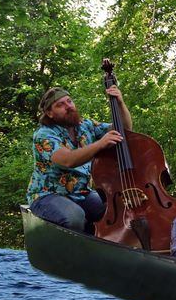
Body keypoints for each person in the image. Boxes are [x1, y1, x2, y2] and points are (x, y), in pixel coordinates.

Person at [26, 85, 130, 233]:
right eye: (60, 105)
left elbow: (123, 130)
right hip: (47, 195)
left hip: (82, 193)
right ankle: (72, 255)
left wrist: (120, 103)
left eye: (69, 101)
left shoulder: (85, 125)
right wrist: (100, 143)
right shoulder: (44, 134)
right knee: (74, 217)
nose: (68, 106)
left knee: (117, 211)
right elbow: (68, 160)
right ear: (50, 113)